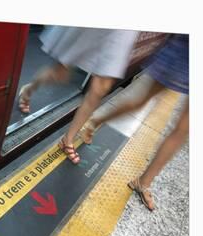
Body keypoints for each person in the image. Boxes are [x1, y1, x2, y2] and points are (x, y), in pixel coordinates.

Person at [83, 34, 189, 211]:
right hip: (184, 53)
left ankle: (143, 182)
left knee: (184, 129)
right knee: (142, 101)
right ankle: (97, 120)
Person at [18, 26, 139, 164]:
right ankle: (29, 90)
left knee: (100, 89)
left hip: (122, 30)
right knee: (59, 74)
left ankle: (68, 139)